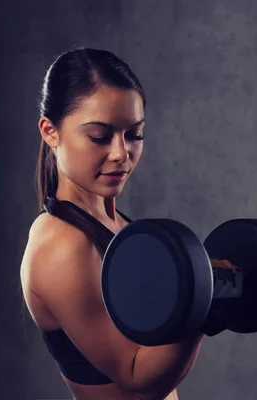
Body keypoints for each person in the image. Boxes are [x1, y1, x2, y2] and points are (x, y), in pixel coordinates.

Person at [20, 46, 204, 400]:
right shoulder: (62, 243)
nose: (121, 153)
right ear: (50, 131)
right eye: (99, 136)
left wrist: (213, 291)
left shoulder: (118, 226)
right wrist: (205, 303)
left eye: (134, 134)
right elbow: (136, 376)